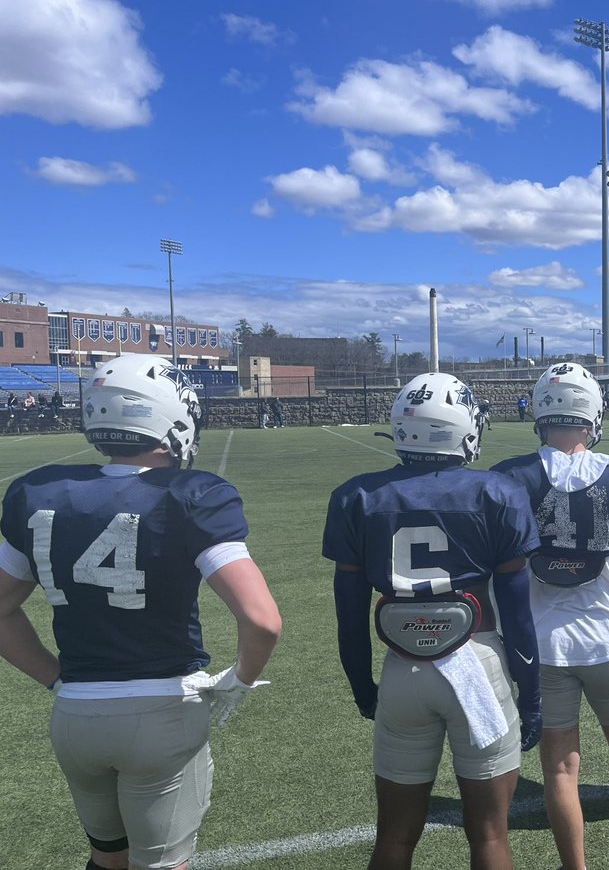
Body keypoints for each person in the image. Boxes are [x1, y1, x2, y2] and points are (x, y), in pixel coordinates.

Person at [0, 353, 282, 870]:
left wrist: (58, 682)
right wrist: (239, 680)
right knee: (162, 862)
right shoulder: (193, 495)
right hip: (161, 710)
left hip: (75, 716)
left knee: (108, 858)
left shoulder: (35, 492)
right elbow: (262, 620)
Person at [324, 371, 543, 870]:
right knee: (489, 836)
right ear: (464, 427)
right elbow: (518, 613)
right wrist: (530, 695)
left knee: (395, 838)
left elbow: (349, 614)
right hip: (478, 665)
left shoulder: (357, 497)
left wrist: (362, 683)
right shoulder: (497, 492)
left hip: (402, 669)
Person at [491, 362, 609, 870]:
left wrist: (509, 636)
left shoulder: (511, 478)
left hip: (542, 644)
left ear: (540, 413)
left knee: (561, 767)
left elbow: (502, 572)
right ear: (593, 416)